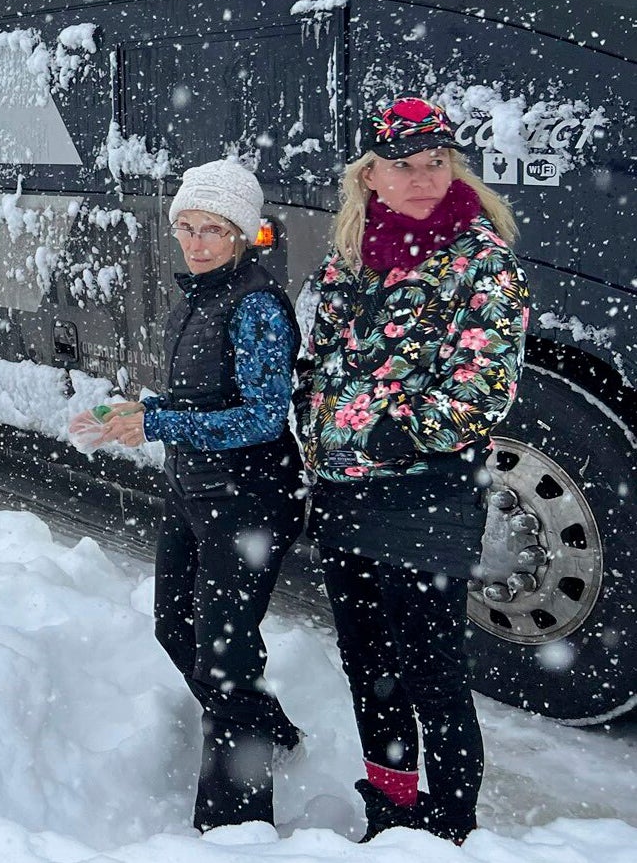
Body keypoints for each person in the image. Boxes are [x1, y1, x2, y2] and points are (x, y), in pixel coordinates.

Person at [302, 96, 527, 844]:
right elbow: (322, 357)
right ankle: (392, 810)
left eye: (436, 162)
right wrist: (318, 424)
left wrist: (405, 433)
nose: (423, 178)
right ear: (370, 174)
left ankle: (453, 826)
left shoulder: (480, 258)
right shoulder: (351, 249)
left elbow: (485, 383)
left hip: (424, 493)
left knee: (431, 671)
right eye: (404, 166)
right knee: (368, 664)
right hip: (343, 489)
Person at [69, 159, 304, 831]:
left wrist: (158, 422)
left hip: (249, 498)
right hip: (195, 490)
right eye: (187, 228)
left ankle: (235, 826)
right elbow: (203, 398)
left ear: (242, 234)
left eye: (214, 230)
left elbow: (263, 416)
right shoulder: (199, 294)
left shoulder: (255, 304)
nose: (197, 242)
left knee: (226, 654)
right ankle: (270, 733)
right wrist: (135, 413)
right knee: (174, 625)